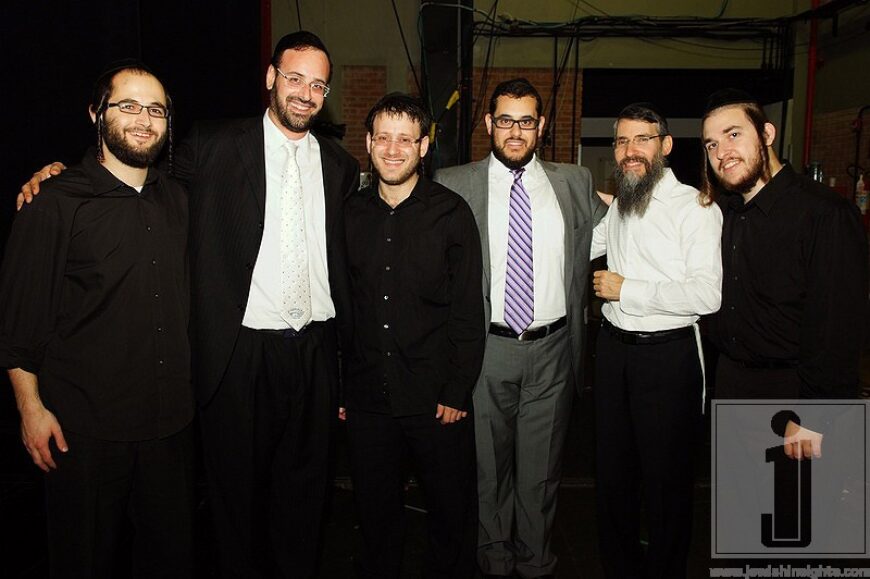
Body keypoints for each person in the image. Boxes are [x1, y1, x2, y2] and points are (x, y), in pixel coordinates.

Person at [18, 31, 359, 579]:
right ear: (270, 78)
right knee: (233, 506)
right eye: (294, 78)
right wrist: (59, 174)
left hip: (316, 354)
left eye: (318, 84)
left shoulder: (340, 167)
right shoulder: (213, 144)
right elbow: (133, 173)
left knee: (305, 500)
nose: (305, 92)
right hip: (238, 355)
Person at [0, 61, 194, 578]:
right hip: (84, 434)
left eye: (156, 110)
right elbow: (19, 323)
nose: (144, 120)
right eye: (128, 106)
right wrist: (30, 409)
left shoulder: (179, 199)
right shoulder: (52, 203)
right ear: (96, 113)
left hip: (169, 429)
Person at [435, 78, 607, 579]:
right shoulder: (453, 183)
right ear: (489, 124)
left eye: (526, 121)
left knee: (541, 472)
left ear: (541, 126)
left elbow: (622, 225)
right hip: (486, 349)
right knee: (488, 469)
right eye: (505, 120)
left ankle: (535, 561)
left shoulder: (573, 182)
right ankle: (493, 559)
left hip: (553, 349)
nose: (515, 131)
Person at [342, 92, 485, 578]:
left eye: (405, 139)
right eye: (384, 137)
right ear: (368, 142)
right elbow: (343, 306)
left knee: (450, 518)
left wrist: (457, 389)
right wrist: (343, 387)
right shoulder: (349, 214)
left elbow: (467, 310)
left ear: (423, 146)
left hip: (436, 401)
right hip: (367, 399)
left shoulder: (452, 214)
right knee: (375, 519)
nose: (393, 149)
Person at [590, 102, 722, 579]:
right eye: (622, 141)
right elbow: (583, 244)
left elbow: (707, 295)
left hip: (668, 358)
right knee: (613, 477)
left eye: (642, 139)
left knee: (666, 484)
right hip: (613, 353)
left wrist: (627, 290)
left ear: (665, 145)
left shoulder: (696, 208)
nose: (631, 150)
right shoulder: (623, 203)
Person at [702, 89, 867, 405]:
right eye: (711, 144)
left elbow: (839, 331)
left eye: (733, 134)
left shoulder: (824, 212)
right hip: (730, 381)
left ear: (767, 134)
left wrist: (819, 415)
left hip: (795, 391)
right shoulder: (723, 212)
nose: (722, 152)